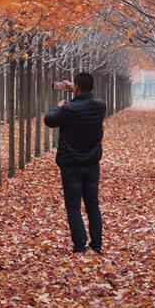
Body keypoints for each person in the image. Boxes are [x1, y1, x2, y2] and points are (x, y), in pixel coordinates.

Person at [44, 72, 106, 254]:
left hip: (71, 164)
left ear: (76, 87)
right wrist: (77, 92)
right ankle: (97, 245)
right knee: (93, 205)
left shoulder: (68, 109)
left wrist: (59, 106)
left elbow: (49, 120)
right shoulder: (100, 106)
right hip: (92, 163)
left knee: (73, 207)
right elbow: (86, 102)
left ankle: (79, 246)